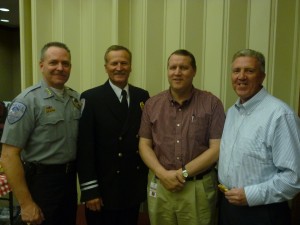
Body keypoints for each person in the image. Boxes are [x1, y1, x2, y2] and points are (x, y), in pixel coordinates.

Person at [139, 49, 226, 225]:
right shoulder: (152, 104)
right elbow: (144, 145)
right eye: (173, 67)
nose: (177, 72)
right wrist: (163, 174)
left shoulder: (212, 104)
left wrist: (183, 173)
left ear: (194, 71)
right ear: (167, 71)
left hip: (197, 188)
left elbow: (216, 149)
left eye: (183, 68)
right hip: (161, 186)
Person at [0, 42, 80, 225]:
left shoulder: (75, 98)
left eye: (65, 63)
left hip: (68, 181)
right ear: (41, 65)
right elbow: (8, 156)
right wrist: (26, 204)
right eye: (53, 62)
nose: (60, 68)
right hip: (39, 182)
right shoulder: (27, 101)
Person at [218, 49, 300, 225]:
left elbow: (293, 179)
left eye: (249, 71)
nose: (241, 76)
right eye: (236, 71)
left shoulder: (280, 115)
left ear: (262, 76)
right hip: (228, 207)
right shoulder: (232, 112)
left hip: (263, 212)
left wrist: (250, 196)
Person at [77, 45, 150, 225]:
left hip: (131, 186)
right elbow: (84, 147)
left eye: (124, 63)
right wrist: (90, 190)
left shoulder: (142, 96)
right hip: (103, 189)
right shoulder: (91, 97)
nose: (119, 67)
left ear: (131, 66)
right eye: (114, 63)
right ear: (106, 67)